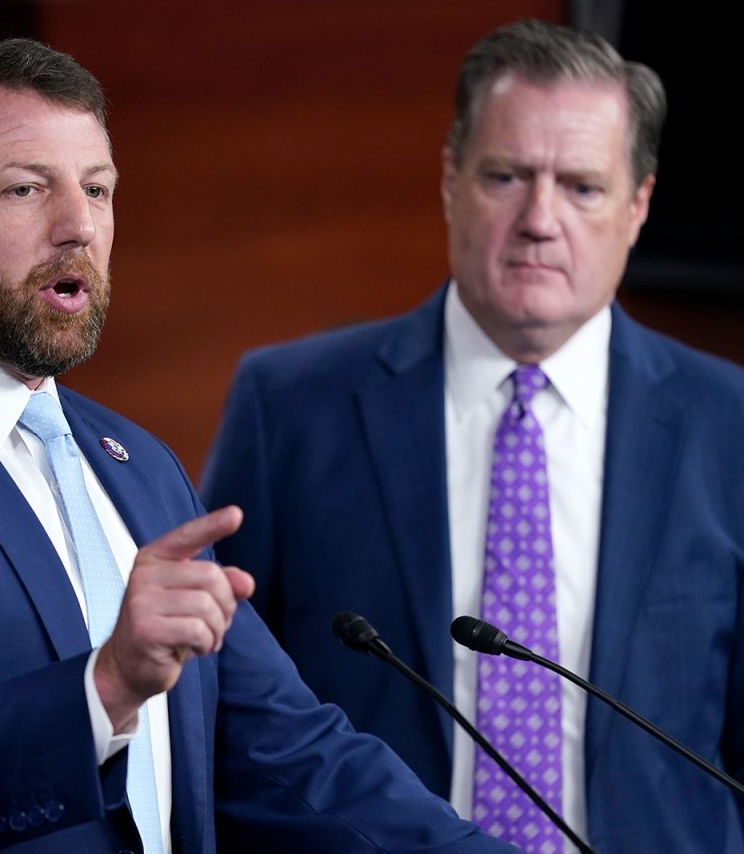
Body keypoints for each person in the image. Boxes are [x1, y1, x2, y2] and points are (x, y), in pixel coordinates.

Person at [0, 39, 515, 854]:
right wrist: (105, 686)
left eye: (97, 189)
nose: (77, 226)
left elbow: (290, 756)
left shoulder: (137, 464)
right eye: (24, 189)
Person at [202, 19, 744, 854]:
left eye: (582, 187)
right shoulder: (291, 408)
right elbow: (221, 705)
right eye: (507, 175)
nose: (539, 218)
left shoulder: (727, 424)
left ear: (638, 206)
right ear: (452, 180)